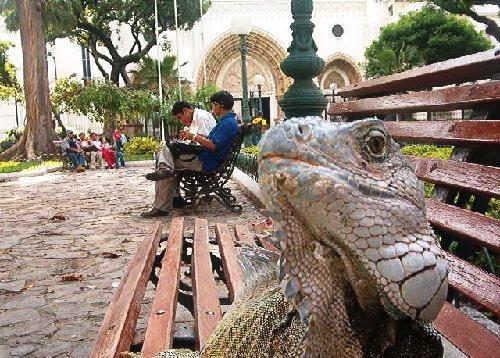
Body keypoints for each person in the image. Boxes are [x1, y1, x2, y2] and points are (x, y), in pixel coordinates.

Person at [141, 91, 238, 218]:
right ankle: (174, 195)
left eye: (213, 105)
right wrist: (196, 137)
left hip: (206, 161)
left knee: (165, 155)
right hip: (207, 157)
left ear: (220, 105)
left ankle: (161, 207)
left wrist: (194, 137)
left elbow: (213, 145)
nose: (212, 108)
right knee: (167, 158)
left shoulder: (227, 123)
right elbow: (212, 139)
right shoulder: (227, 121)